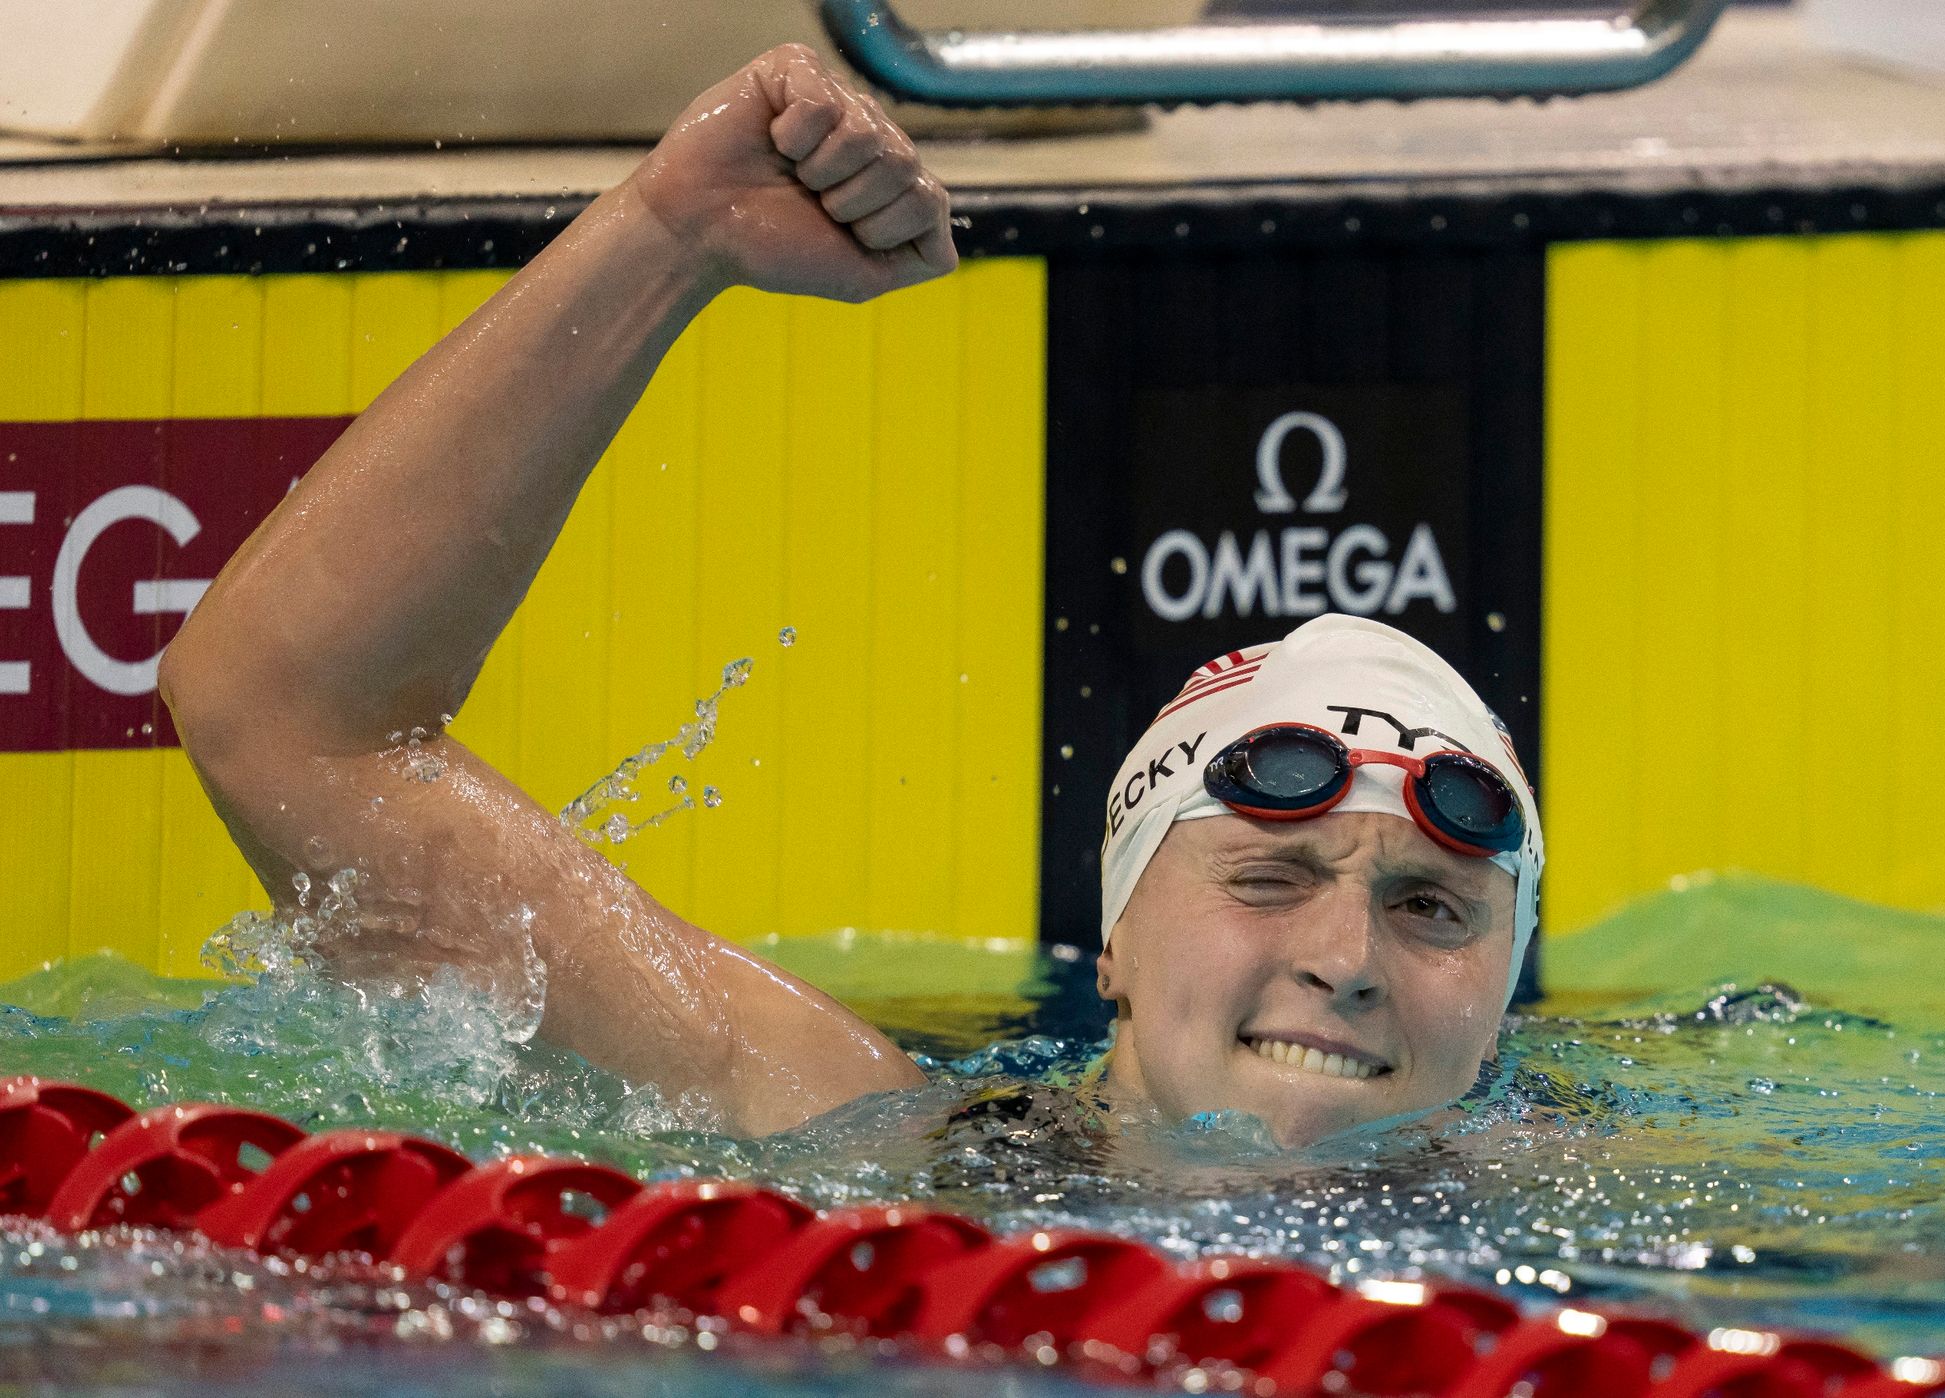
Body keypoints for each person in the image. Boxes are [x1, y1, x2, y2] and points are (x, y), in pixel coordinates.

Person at [160, 46, 1542, 1153]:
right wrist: (666, 233)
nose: (1347, 956)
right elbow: (283, 715)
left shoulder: (1620, 1201)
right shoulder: (868, 1148)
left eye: (1434, 908)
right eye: (1270, 872)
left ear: (1497, 1005)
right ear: (1109, 945)